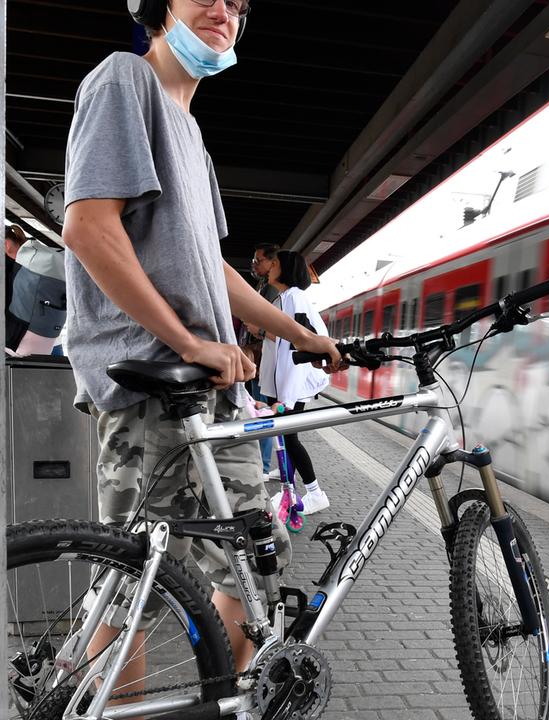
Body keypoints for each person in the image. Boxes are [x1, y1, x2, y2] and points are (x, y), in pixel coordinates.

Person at [61, 0, 342, 688]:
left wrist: (302, 333)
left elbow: (212, 267)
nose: (224, 10)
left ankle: (223, 700)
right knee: (131, 584)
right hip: (149, 380)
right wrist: (190, 339)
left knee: (253, 566)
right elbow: (90, 228)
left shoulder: (192, 133)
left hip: (213, 393)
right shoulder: (124, 80)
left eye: (238, 4)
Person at [261, 250, 331, 514]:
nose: (269, 267)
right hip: (283, 385)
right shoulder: (285, 298)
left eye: (274, 263)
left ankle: (315, 492)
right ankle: (288, 492)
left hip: (292, 385)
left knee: (289, 438)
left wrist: (286, 397)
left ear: (287, 268)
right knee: (284, 438)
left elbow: (298, 347)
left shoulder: (295, 298)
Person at [244, 243, 280, 478]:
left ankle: (263, 466)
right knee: (259, 408)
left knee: (262, 412)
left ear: (272, 262)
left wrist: (257, 330)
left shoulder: (272, 292)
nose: (255, 264)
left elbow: (273, 329)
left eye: (259, 260)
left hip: (260, 360)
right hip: (257, 359)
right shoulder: (264, 286)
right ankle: (263, 465)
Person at [5, 225, 31, 351]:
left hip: (19, 338)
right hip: (49, 333)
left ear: (6, 244)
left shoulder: (10, 267)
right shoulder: (34, 254)